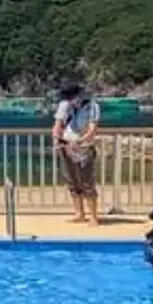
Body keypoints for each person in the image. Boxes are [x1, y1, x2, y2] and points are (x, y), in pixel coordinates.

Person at [51, 83, 102, 226]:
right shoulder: (64, 105)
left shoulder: (92, 107)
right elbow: (58, 124)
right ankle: (79, 213)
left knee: (87, 182)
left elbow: (92, 129)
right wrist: (56, 139)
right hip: (65, 145)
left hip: (83, 147)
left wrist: (80, 141)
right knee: (71, 180)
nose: (69, 99)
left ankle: (93, 216)